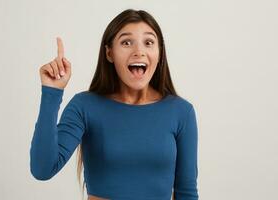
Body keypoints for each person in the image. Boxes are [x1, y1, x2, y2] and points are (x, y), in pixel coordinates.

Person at [29, 9, 199, 200]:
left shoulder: (181, 112)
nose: (139, 52)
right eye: (126, 42)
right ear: (109, 53)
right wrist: (51, 93)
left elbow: (186, 193)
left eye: (149, 42)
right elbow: (42, 169)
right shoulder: (85, 106)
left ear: (159, 53)